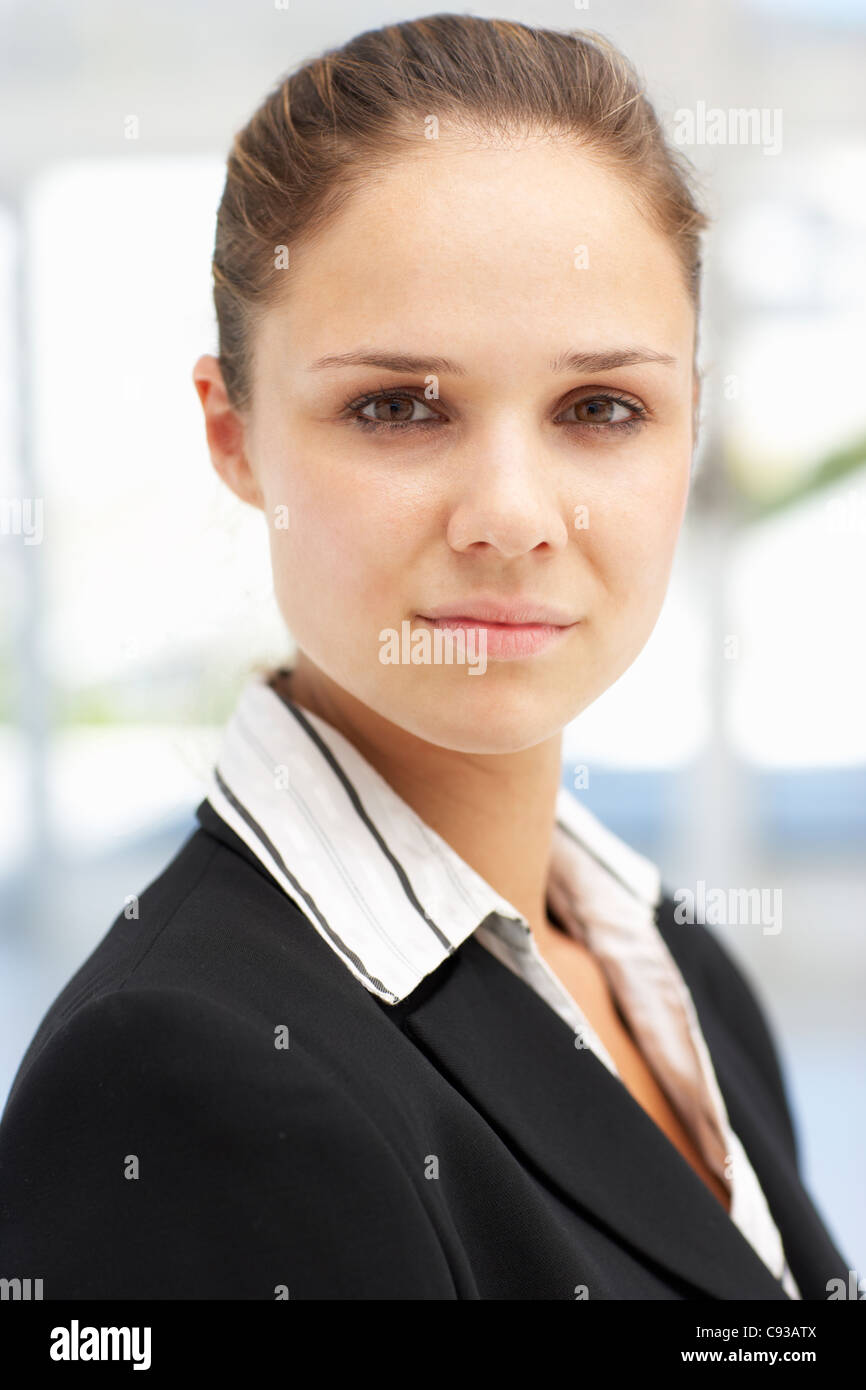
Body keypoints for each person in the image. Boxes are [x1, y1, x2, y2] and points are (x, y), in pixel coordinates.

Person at [0, 14, 851, 1300]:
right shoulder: (174, 1077)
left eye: (599, 407)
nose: (509, 513)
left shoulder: (671, 960)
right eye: (398, 407)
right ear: (232, 436)